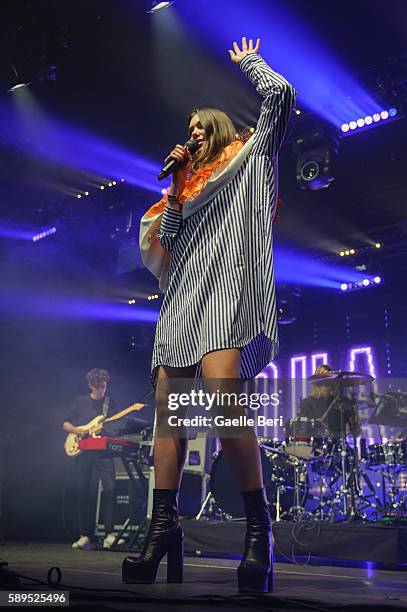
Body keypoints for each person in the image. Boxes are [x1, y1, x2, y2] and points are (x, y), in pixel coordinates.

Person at [125, 37, 296, 592]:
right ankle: (160, 530)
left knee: (223, 404)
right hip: (182, 300)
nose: (192, 133)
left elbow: (282, 95)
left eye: (201, 127)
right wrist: (175, 185)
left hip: (226, 290)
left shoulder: (248, 158)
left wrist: (250, 63)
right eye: (188, 128)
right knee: (168, 418)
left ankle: (257, 531)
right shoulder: (185, 184)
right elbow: (168, 243)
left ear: (220, 130)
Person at [63, 368, 122, 550]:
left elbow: (117, 425)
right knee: (83, 491)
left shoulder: (110, 404)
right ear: (90, 386)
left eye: (103, 387)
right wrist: (77, 430)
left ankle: (109, 535)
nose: (101, 391)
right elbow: (65, 423)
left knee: (110, 489)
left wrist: (109, 430)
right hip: (84, 452)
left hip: (103, 452)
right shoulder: (79, 402)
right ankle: (84, 535)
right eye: (97, 387)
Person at [298, 364, 356, 437]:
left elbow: (356, 432)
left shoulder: (342, 401)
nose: (328, 382)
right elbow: (301, 430)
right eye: (325, 379)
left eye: (330, 379)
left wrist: (355, 416)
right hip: (316, 446)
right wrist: (314, 424)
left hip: (339, 446)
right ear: (317, 383)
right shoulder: (307, 403)